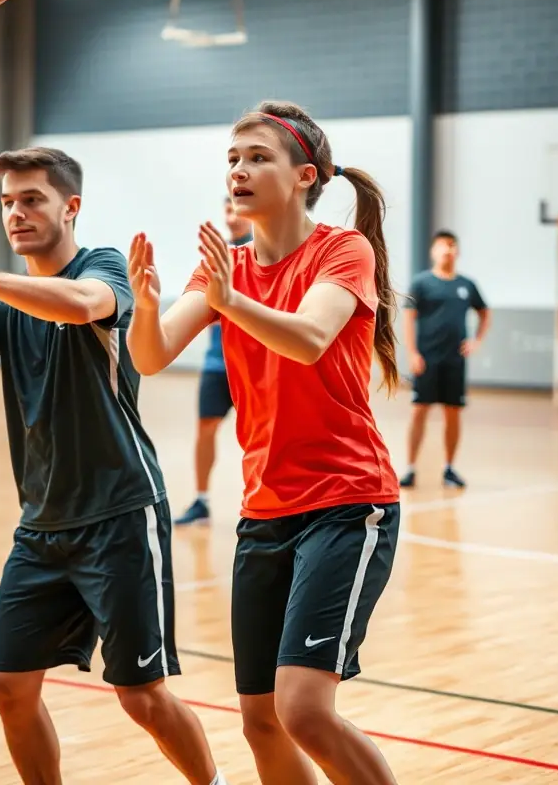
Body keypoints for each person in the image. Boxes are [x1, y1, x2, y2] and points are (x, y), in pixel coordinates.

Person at [0, 146, 229, 785]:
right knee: (9, 689)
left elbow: (80, 304)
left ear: (70, 207)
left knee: (141, 697)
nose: (16, 213)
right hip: (42, 524)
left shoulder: (101, 268)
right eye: (8, 203)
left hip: (122, 513)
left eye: (32, 199)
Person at [127, 101, 401, 785]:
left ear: (306, 175)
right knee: (260, 720)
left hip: (346, 502)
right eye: (232, 159)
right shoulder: (227, 270)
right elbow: (152, 356)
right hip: (265, 510)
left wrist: (228, 300)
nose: (239, 171)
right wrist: (149, 306)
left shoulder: (344, 250)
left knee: (304, 708)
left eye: (257, 158)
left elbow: (309, 339)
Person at [175, 197, 252, 526]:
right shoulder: (218, 258)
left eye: (237, 210)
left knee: (258, 435)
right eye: (227, 210)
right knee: (205, 429)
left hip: (252, 365)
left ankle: (264, 501)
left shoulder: (264, 254)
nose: (231, 216)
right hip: (216, 364)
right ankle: (202, 501)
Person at [400, 229, 490, 490]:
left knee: (453, 412)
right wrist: (413, 353)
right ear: (433, 251)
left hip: (454, 360)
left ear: (457, 251)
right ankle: (410, 468)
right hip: (427, 359)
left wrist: (477, 341)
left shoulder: (466, 285)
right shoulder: (422, 283)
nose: (447, 251)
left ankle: (449, 468)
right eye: (442, 246)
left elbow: (485, 312)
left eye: (452, 246)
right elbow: (408, 318)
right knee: (419, 411)